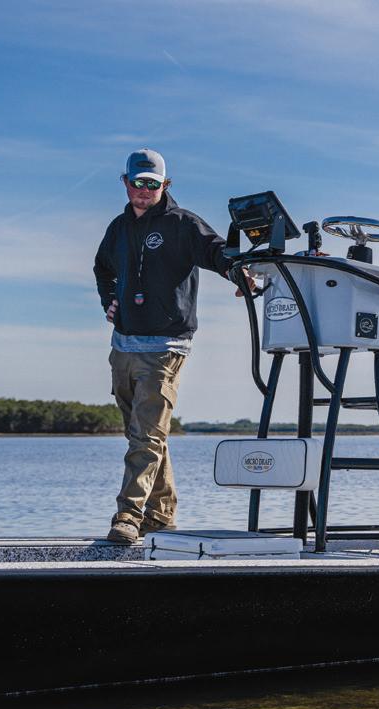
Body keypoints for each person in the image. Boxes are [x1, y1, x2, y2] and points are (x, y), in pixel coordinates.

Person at [93, 149, 246, 543]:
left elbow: (218, 253)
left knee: (146, 436)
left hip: (167, 346)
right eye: (137, 182)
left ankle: (128, 516)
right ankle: (161, 515)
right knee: (144, 434)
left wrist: (239, 274)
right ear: (125, 182)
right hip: (123, 344)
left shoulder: (182, 224)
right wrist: (109, 299)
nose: (144, 190)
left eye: (152, 184)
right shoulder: (118, 228)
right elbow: (102, 267)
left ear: (165, 185)